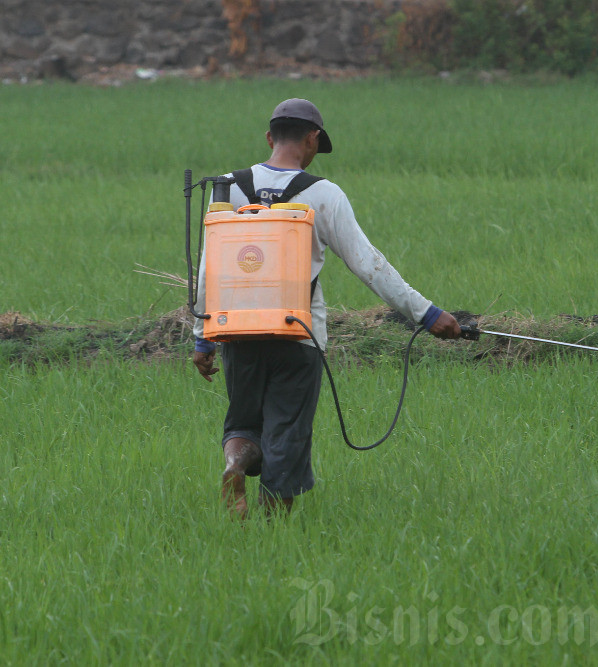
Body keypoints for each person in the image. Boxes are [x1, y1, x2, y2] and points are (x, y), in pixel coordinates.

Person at [192, 98, 461, 518]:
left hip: (235, 328)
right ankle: (273, 534)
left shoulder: (228, 186)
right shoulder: (323, 194)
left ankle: (234, 464)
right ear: (313, 138)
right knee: (286, 434)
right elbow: (369, 264)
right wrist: (426, 314)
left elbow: (210, 268)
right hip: (298, 333)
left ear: (269, 138)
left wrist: (202, 338)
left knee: (244, 422)